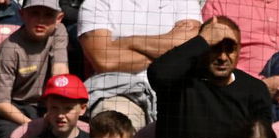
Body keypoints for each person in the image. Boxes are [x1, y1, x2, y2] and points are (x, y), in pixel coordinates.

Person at [77, 0, 203, 128]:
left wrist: (130, 42)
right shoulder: (96, 3)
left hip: (176, 92)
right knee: (113, 123)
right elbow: (105, 60)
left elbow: (192, 43)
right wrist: (170, 53)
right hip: (120, 91)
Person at [148, 16, 273, 138]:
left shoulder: (255, 90)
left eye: (230, 48)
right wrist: (203, 39)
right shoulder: (180, 82)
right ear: (202, 47)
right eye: (215, 47)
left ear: (239, 50)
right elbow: (158, 75)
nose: (223, 57)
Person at [0, 0, 70, 138]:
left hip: (46, 103)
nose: (41, 20)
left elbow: (60, 71)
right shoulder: (9, 49)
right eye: (35, 13)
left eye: (48, 15)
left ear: (59, 18)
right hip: (11, 108)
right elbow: (0, 104)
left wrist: (56, 109)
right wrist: (34, 124)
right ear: (22, 14)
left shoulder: (59, 31)